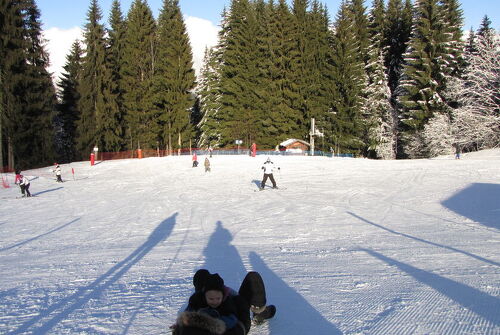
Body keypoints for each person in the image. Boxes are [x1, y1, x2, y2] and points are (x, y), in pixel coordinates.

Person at [172, 270, 276, 335]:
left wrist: (208, 321)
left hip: (237, 321)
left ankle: (259, 313)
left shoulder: (232, 302)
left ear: (223, 295)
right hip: (215, 320)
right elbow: (188, 313)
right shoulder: (198, 298)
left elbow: (231, 320)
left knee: (253, 277)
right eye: (211, 299)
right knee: (201, 274)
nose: (214, 302)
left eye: (217, 299)